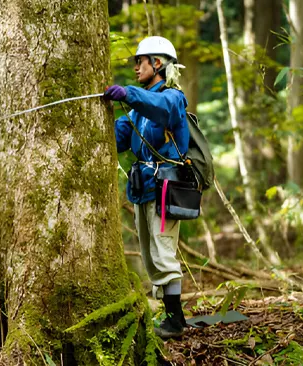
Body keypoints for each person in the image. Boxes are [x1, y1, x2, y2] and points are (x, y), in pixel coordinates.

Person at [104, 36, 190, 339]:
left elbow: (162, 109)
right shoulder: (138, 106)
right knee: (151, 256)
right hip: (143, 190)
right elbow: (118, 140)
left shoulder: (172, 98)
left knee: (164, 253)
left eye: (140, 61)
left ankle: (175, 320)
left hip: (165, 190)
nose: (136, 67)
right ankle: (168, 315)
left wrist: (128, 94)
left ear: (157, 63)